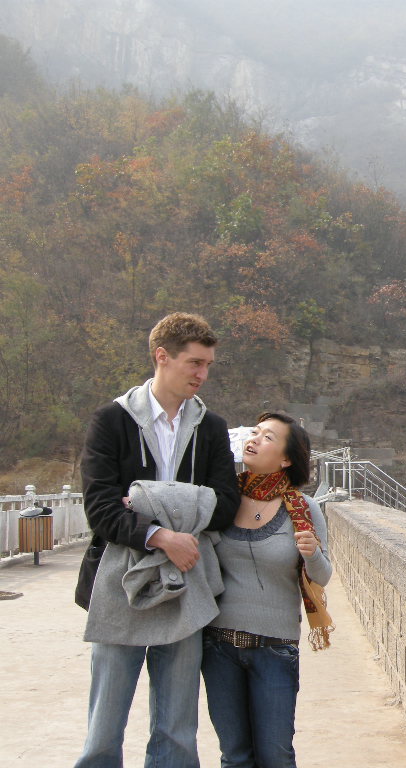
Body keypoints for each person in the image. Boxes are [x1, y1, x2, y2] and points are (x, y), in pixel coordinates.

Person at [74, 312, 240, 768]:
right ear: (161, 357)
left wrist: (144, 500)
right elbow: (101, 508)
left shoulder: (210, 427)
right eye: (194, 363)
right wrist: (162, 534)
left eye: (208, 365)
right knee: (104, 728)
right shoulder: (111, 420)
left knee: (177, 728)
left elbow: (226, 504)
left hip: (187, 580)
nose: (202, 375)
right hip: (119, 582)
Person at [202, 411, 333, 768]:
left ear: (287, 458)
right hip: (219, 647)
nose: (256, 439)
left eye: (268, 437)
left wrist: (312, 554)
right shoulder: (224, 500)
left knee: (276, 755)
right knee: (234, 756)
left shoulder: (303, 510)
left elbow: (322, 577)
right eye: (255, 433)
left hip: (275, 650)